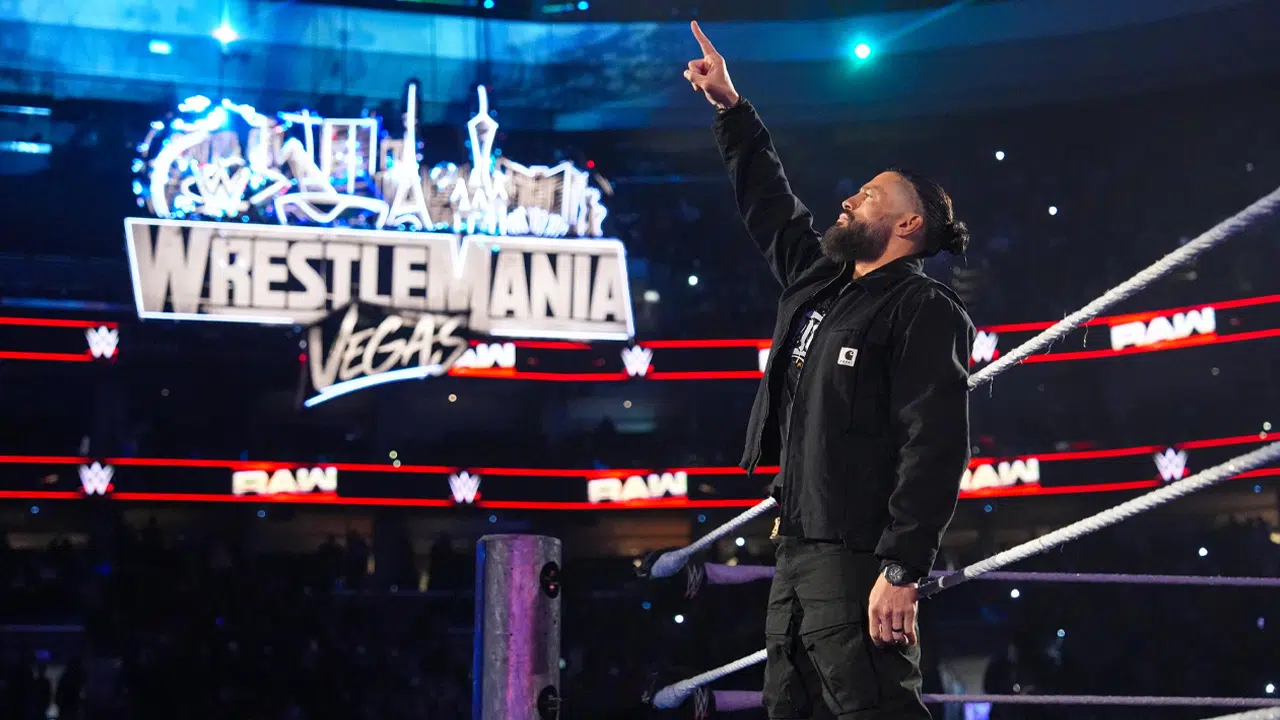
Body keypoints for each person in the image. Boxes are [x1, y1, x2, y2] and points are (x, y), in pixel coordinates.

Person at [682, 21, 975, 720]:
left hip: (858, 553)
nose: (849, 200)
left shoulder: (923, 309)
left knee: (874, 707)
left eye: (870, 195)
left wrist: (902, 568)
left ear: (908, 226)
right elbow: (770, 206)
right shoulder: (821, 281)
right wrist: (731, 109)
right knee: (790, 708)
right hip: (796, 546)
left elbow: (935, 443)